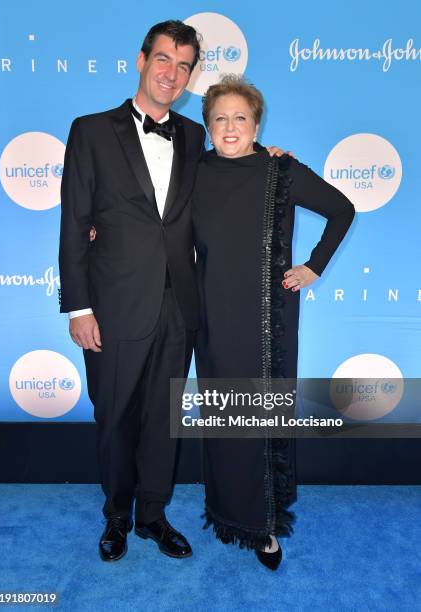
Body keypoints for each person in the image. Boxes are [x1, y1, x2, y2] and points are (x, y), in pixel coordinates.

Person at [192, 75, 355, 571]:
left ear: (256, 124)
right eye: (219, 118)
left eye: (240, 117)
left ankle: (263, 527)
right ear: (208, 127)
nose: (230, 126)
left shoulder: (280, 171)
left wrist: (314, 266)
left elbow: (341, 210)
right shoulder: (192, 172)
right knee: (223, 416)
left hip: (268, 317)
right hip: (211, 313)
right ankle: (224, 512)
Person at [59, 20, 206, 562]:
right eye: (164, 59)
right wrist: (78, 306)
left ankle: (153, 515)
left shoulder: (195, 136)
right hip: (114, 304)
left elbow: (215, 199)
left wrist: (273, 165)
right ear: (141, 60)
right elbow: (74, 225)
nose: (172, 73)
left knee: (163, 419)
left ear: (191, 76)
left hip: (178, 305)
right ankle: (117, 516)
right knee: (114, 415)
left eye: (184, 65)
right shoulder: (91, 131)